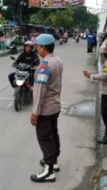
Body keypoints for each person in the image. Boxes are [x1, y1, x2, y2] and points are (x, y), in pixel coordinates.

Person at [30, 34, 63, 183]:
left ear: (43, 47)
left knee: (45, 138)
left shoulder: (45, 65)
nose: (36, 48)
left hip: (45, 109)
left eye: (37, 46)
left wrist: (35, 113)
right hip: (55, 106)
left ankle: (49, 172)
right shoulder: (57, 61)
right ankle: (53, 162)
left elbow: (40, 91)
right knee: (53, 134)